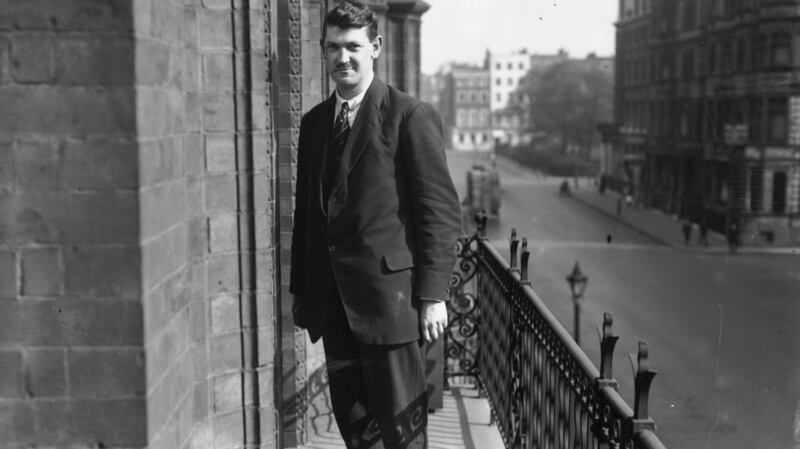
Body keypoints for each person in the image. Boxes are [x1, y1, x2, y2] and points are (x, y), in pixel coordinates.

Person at [289, 2, 461, 448]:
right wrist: (302, 292)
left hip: (393, 309)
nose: (341, 58)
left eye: (352, 47)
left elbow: (438, 213)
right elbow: (307, 217)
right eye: (332, 48)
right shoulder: (313, 125)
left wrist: (433, 296)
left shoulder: (408, 116)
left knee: (403, 435)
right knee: (357, 433)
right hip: (335, 308)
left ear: (376, 48)